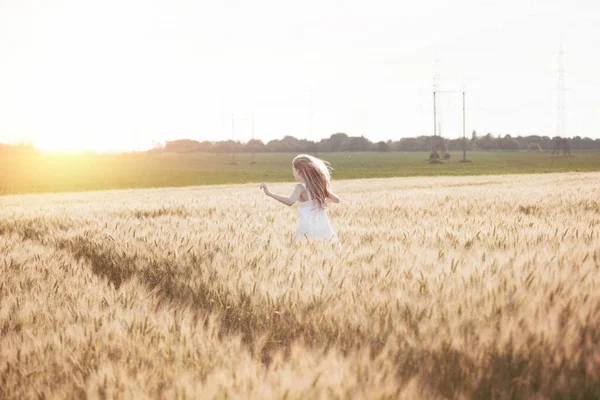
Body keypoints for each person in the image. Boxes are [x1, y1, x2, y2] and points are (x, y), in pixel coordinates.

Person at [260, 154, 340, 243]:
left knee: (304, 247)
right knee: (325, 246)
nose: (293, 173)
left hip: (306, 226)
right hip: (322, 226)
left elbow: (290, 201)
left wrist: (270, 193)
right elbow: (337, 200)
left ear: (299, 172)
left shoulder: (300, 187)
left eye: (293, 171)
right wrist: (320, 201)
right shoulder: (317, 186)